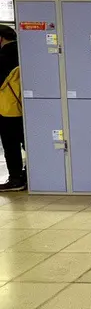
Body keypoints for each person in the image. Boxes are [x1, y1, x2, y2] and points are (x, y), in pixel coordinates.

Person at [0, 24, 25, 192]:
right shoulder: (24, 50)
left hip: (8, 108)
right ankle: (31, 173)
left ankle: (16, 178)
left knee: (11, 144)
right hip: (28, 105)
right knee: (28, 141)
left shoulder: (3, 56)